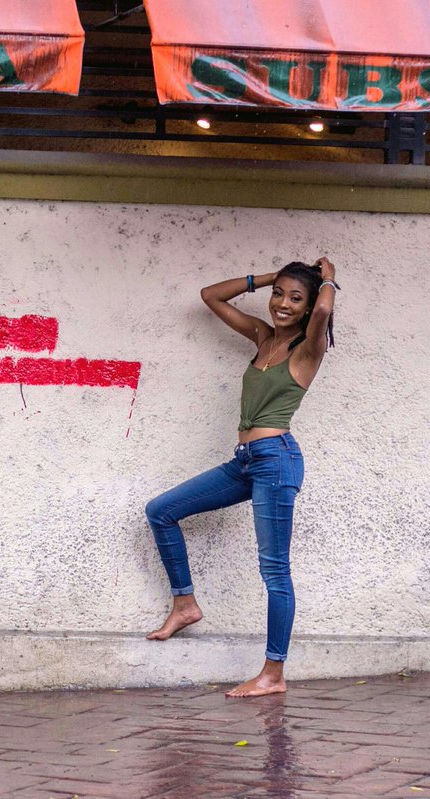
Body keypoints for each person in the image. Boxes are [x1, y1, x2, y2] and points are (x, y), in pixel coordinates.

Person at [144, 258, 338, 697]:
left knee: (275, 570)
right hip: (245, 461)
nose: (282, 303)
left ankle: (273, 673)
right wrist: (272, 277)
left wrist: (327, 278)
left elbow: (326, 309)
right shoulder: (263, 337)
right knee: (161, 511)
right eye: (278, 294)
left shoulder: (309, 348)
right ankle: (185, 603)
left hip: (277, 460)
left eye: (295, 298)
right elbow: (210, 295)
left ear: (309, 308)